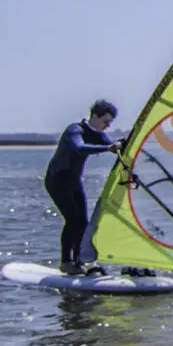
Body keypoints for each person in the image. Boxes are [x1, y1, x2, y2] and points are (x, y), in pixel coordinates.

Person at [45, 100, 122, 273]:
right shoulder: (75, 130)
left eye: (110, 123)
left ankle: (79, 262)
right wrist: (108, 148)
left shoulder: (98, 134)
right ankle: (66, 263)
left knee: (84, 223)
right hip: (57, 180)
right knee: (72, 220)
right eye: (105, 121)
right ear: (94, 116)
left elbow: (112, 145)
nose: (107, 126)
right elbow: (79, 148)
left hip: (74, 181)